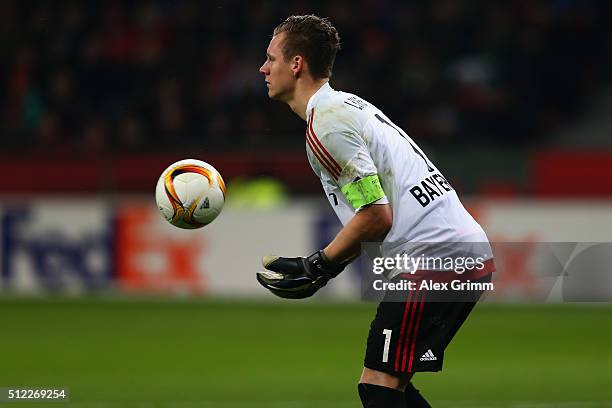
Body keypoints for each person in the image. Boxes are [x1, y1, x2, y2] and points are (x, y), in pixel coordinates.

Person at [256, 15, 494, 408]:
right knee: (390, 382)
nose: (264, 69)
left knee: (379, 385)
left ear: (296, 64)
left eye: (271, 58)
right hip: (453, 252)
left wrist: (320, 264)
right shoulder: (344, 106)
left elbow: (375, 214)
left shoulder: (328, 125)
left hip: (436, 257)